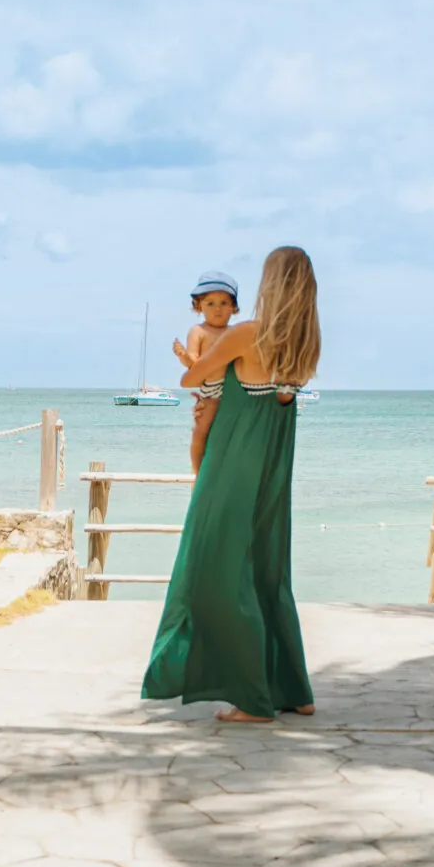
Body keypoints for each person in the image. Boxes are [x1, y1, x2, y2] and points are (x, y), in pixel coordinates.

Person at [142, 245, 320, 723]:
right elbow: (277, 405)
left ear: (271, 285)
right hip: (272, 469)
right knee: (267, 572)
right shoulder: (306, 345)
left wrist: (202, 374)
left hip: (233, 462)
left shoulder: (246, 334)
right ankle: (292, 689)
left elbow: (191, 379)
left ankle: (252, 697)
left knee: (216, 569)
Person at [174, 275, 239, 474]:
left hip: (235, 390)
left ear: (233, 307)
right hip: (212, 391)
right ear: (199, 306)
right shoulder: (199, 331)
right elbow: (194, 363)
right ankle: (199, 472)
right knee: (201, 432)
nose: (217, 309)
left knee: (231, 435)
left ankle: (226, 470)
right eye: (210, 303)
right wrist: (184, 356)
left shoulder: (236, 332)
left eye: (224, 303)